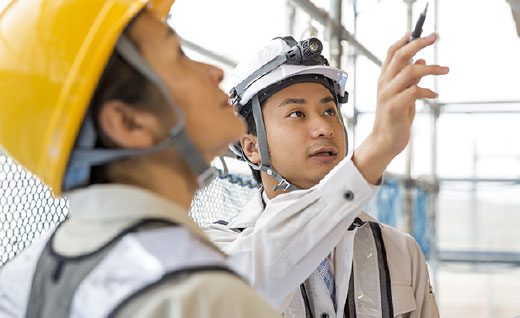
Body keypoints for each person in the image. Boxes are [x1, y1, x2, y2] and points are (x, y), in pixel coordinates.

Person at [0, 0, 279, 317]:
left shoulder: (17, 281)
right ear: (129, 123)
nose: (215, 72)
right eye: (179, 55)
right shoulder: (201, 298)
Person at [204, 35, 449, 317]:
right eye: (297, 113)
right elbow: (259, 272)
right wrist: (377, 148)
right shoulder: (217, 248)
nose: (324, 127)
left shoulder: (400, 251)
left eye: (329, 110)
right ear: (252, 147)